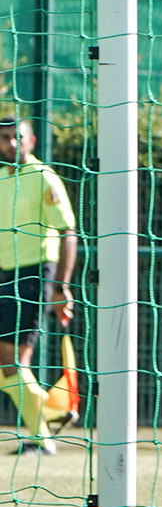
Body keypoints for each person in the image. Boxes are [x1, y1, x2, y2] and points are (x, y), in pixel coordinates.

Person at [0, 116, 77, 456]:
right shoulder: (1, 176)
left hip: (32, 276)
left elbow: (68, 232)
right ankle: (53, 413)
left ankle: (45, 434)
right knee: (8, 367)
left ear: (31, 141)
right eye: (4, 138)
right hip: (3, 275)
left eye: (17, 137)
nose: (11, 144)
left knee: (12, 363)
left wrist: (60, 287)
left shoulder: (44, 177)